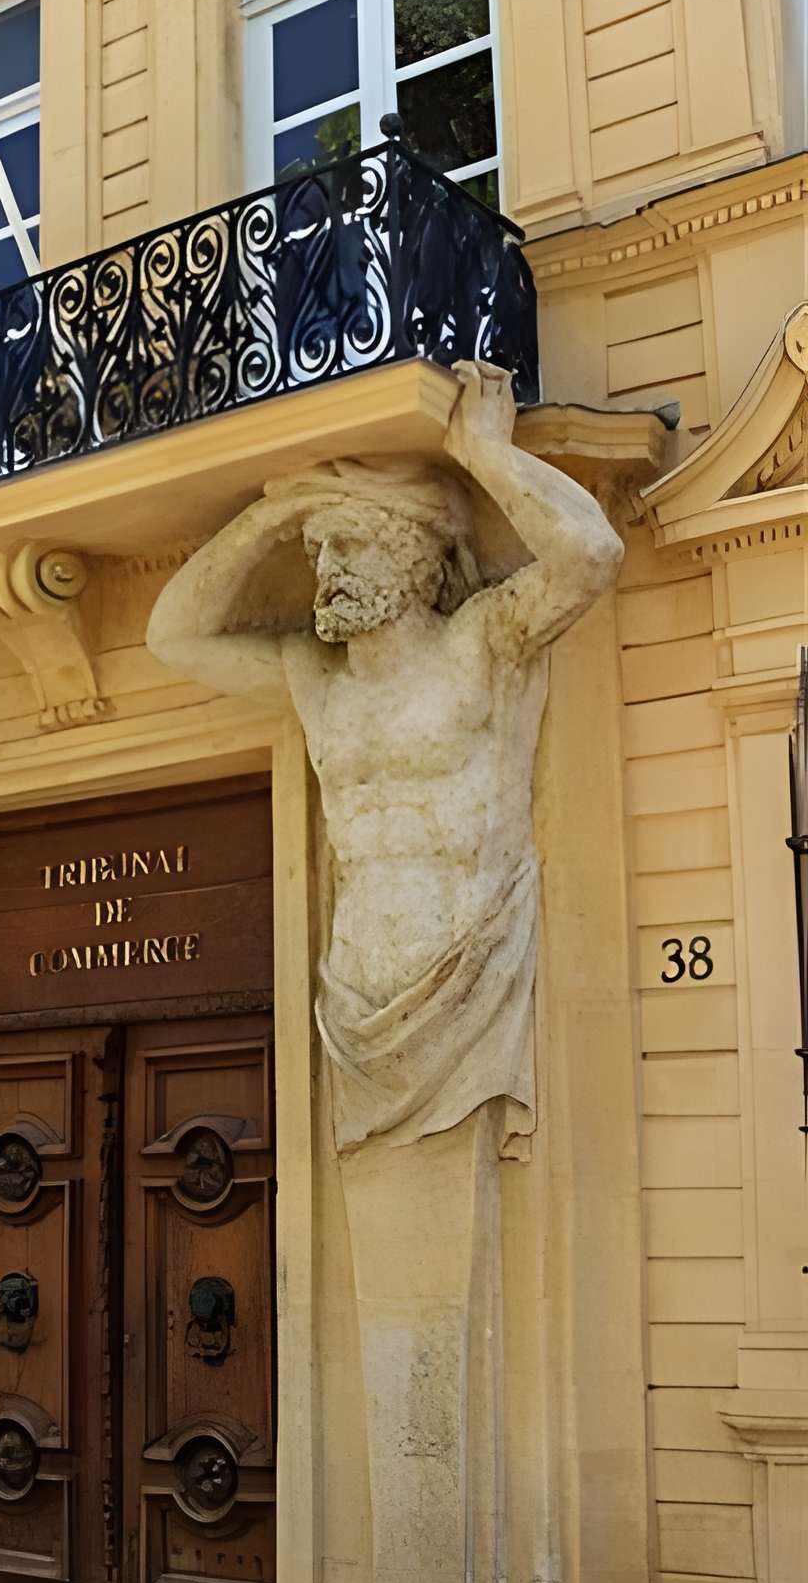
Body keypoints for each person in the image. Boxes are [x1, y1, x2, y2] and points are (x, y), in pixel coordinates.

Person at [147, 361, 622, 1155]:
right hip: (356, 993)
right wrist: (274, 517)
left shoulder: (484, 642)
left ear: (410, 552)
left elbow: (591, 559)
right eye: (318, 549)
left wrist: (486, 455)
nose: (325, 570)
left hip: (464, 976)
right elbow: (172, 638)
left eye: (348, 543)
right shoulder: (314, 677)